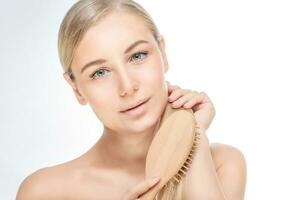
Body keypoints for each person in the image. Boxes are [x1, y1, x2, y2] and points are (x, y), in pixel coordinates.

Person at [16, 0, 247, 199]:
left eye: (138, 56)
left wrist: (193, 134)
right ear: (76, 89)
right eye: (100, 72)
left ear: (163, 54)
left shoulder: (222, 164)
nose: (127, 87)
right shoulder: (44, 192)